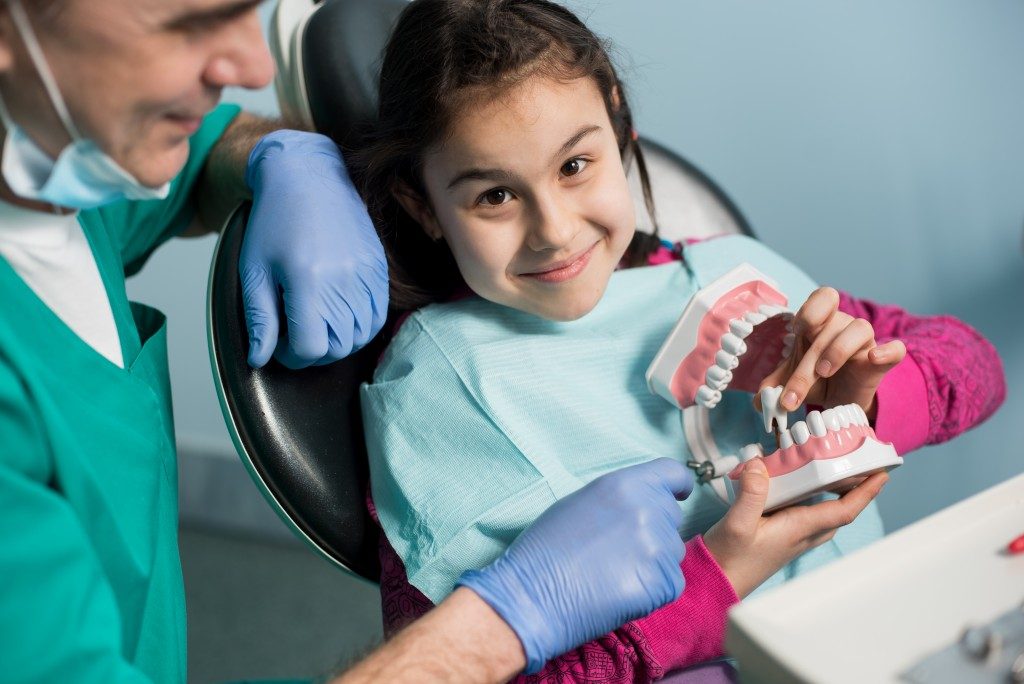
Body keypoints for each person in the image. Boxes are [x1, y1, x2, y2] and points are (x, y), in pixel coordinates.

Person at [0, 1, 707, 682]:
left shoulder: (62, 176)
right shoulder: (436, 388)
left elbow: (202, 149)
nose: (251, 64)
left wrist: (278, 155)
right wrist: (506, 621)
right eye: (188, 24)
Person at [355, 0, 1008, 680]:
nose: (553, 229)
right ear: (421, 204)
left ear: (618, 121)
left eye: (574, 166)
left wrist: (867, 405)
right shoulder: (436, 391)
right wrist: (715, 581)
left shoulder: (721, 268)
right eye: (494, 196)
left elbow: (976, 365)